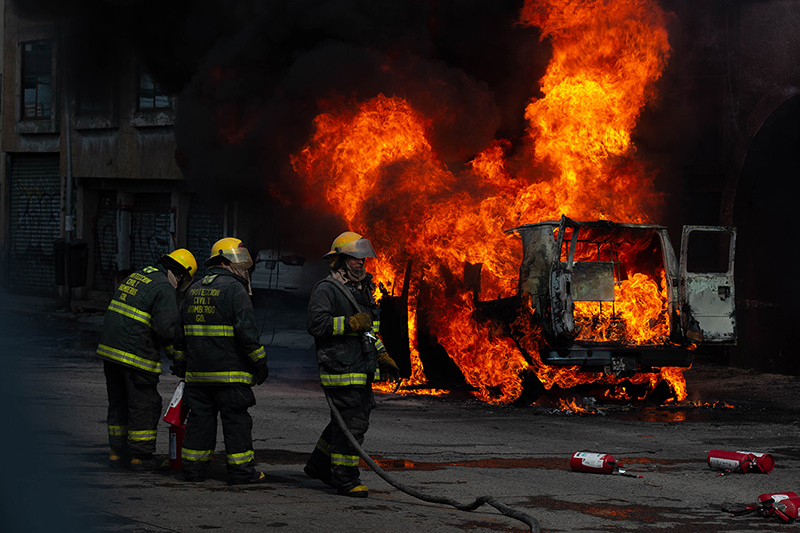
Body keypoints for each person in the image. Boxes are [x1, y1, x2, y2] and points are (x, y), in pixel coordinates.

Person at [304, 231, 401, 498]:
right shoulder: (327, 289)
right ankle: (345, 478)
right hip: (341, 369)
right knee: (353, 424)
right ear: (339, 260)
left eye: (363, 259)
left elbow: (368, 331)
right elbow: (316, 325)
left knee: (342, 421)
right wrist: (347, 324)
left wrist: (381, 354)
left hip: (361, 367)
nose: (361, 263)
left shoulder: (362, 289)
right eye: (355, 259)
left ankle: (319, 465)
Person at [173, 237, 270, 485]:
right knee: (236, 422)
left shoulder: (193, 290)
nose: (243, 266)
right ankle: (241, 472)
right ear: (225, 262)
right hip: (230, 376)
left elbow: (180, 339)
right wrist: (260, 364)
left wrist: (183, 369)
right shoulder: (234, 290)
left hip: (198, 377)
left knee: (200, 421)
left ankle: (193, 470)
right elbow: (247, 335)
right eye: (237, 260)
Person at [97, 248, 197, 470]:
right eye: (181, 281)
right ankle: (140, 457)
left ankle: (117, 452)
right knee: (144, 404)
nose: (178, 286)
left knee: (118, 402)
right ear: (179, 274)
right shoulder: (164, 287)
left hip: (110, 352)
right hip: (135, 355)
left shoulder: (138, 276)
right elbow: (167, 329)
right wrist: (180, 360)